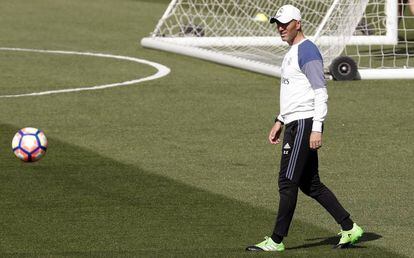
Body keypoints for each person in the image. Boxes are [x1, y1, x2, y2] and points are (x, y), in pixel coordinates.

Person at [246, 5, 363, 252]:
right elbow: (294, 91)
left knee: (287, 181)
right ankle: (349, 227)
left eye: (285, 24)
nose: (280, 28)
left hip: (303, 124)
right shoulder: (292, 51)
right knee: (310, 184)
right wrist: (279, 119)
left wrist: (316, 128)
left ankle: (276, 240)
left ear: (297, 23)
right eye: (277, 23)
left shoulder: (307, 51)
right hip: (293, 121)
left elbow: (320, 91)